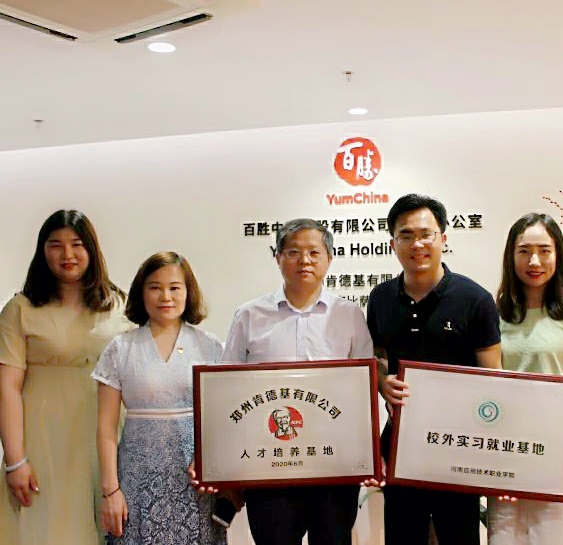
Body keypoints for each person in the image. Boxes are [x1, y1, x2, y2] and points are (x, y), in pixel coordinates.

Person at [219, 218, 373, 545]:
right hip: (268, 463)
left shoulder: (349, 315)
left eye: (314, 252)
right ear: (277, 257)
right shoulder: (249, 315)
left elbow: (363, 389)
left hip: (333, 463)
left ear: (329, 259)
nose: (304, 260)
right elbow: (226, 388)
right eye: (293, 252)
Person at [366, 194, 501, 545]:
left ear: (443, 238)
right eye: (406, 235)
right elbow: (379, 357)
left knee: (459, 535)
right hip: (401, 445)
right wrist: (382, 382)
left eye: (426, 234)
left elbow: (494, 379)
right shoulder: (380, 298)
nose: (417, 244)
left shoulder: (476, 300)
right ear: (393, 243)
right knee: (402, 536)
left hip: (459, 448)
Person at [0, 210, 130, 544]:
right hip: (43, 437)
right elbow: (7, 388)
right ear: (42, 251)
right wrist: (15, 461)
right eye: (55, 245)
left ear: (92, 249)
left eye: (76, 244)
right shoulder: (19, 309)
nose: (67, 254)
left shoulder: (119, 305)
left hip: (107, 435)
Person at [93, 251, 227, 543]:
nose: (165, 296)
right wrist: (110, 490)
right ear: (141, 293)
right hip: (136, 479)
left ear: (188, 292)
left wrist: (212, 463)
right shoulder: (120, 349)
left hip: (195, 479)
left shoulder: (211, 347)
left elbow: (224, 419)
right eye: (155, 287)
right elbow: (105, 429)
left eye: (174, 287)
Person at [486, 213, 563, 544]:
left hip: (559, 464)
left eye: (544, 251)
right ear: (511, 256)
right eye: (524, 251)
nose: (534, 261)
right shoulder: (493, 315)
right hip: (506, 461)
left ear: (558, 255)